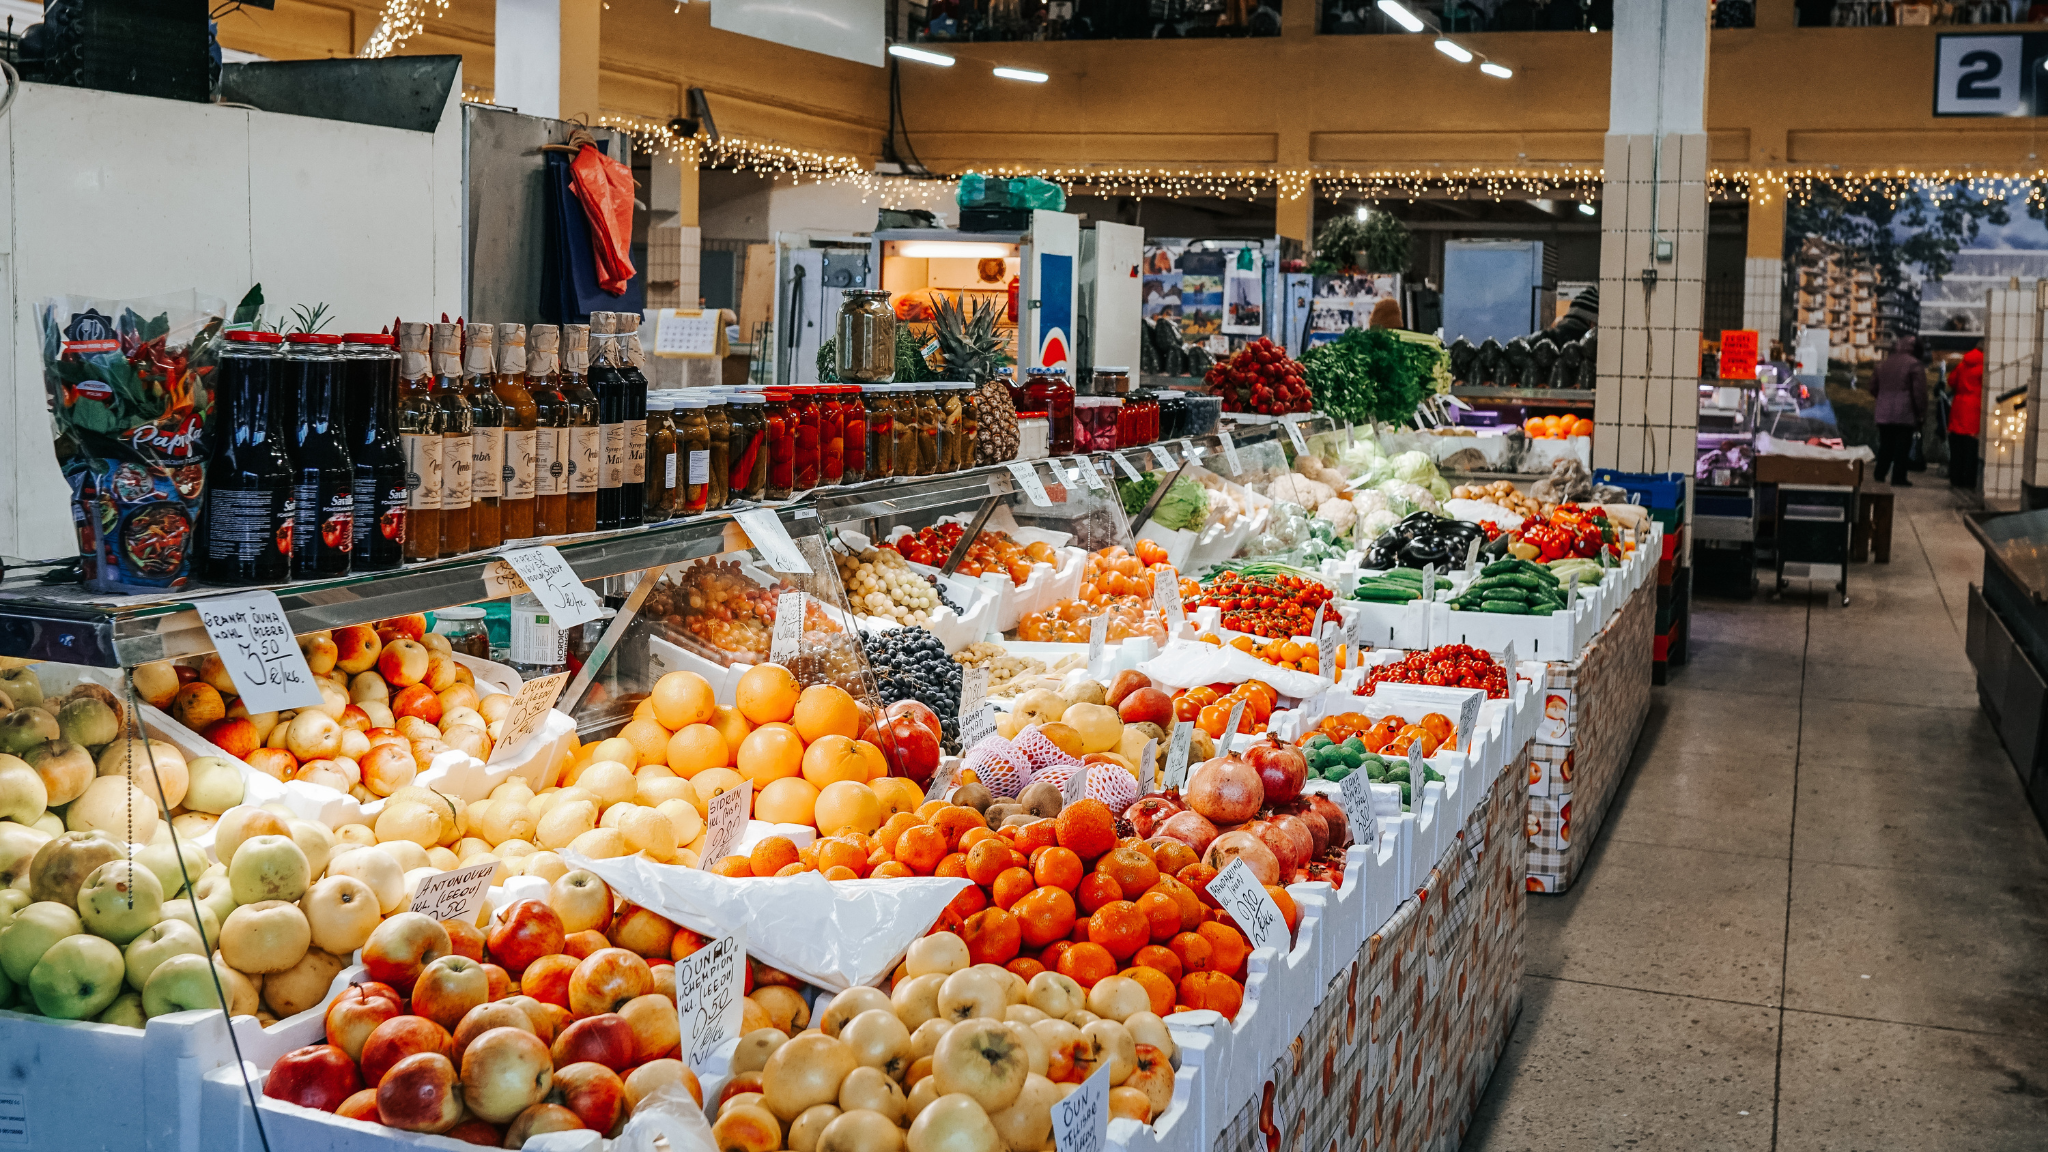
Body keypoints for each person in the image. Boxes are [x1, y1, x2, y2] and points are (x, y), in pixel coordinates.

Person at [1871, 336, 1929, 487]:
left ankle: (1879, 473)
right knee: (1902, 447)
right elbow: (1919, 393)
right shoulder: (1914, 365)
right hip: (1905, 412)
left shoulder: (1883, 363)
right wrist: (1921, 413)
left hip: (1883, 411)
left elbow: (1872, 388)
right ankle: (1898, 478)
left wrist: (1883, 397)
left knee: (1885, 444)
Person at [1948, 344, 1984, 489]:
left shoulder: (1962, 364)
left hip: (1958, 407)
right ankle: (1968, 481)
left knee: (1956, 449)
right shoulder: (1984, 366)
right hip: (1974, 409)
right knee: (1970, 450)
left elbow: (1951, 381)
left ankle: (1955, 478)